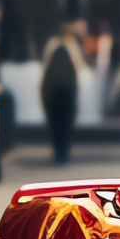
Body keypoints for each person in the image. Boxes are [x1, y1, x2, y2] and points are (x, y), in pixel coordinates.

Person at [39, 22, 84, 163]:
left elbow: (45, 87)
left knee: (56, 129)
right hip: (67, 99)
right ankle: (64, 152)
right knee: (65, 128)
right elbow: (74, 86)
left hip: (53, 100)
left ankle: (58, 152)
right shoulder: (70, 67)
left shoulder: (50, 68)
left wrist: (45, 104)